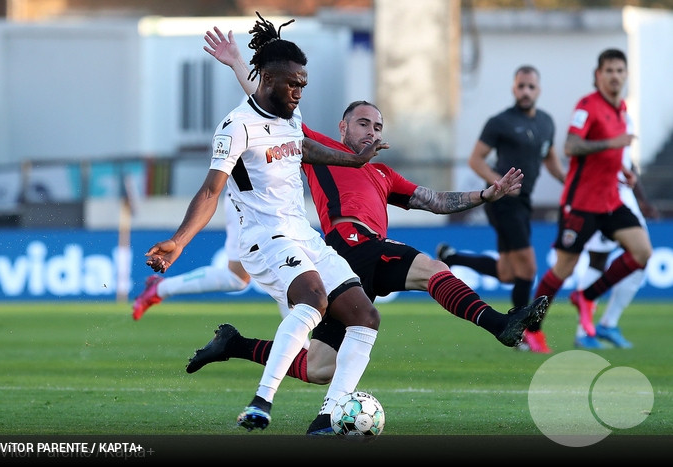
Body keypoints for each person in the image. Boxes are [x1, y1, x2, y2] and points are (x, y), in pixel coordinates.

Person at [183, 26, 549, 420]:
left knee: (321, 367)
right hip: (349, 244)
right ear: (343, 128)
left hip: (354, 265)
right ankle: (500, 323)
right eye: (362, 123)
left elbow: (434, 200)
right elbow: (266, 100)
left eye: (377, 127)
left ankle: (235, 345)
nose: (370, 131)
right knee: (433, 269)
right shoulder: (318, 145)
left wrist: (485, 195)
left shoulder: (384, 174)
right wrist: (239, 61)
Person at [144, 12, 389, 434]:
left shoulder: (287, 115)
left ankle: (328, 416)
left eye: (303, 84)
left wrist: (353, 159)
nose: (298, 91)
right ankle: (261, 402)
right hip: (263, 240)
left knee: (365, 316)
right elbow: (209, 191)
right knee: (312, 299)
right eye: (292, 83)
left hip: (302, 235)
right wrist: (179, 241)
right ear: (269, 79)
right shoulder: (235, 127)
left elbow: (301, 145)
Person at [435, 65, 565, 354]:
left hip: (524, 202)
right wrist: (499, 183)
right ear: (513, 88)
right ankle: (526, 332)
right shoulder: (500, 122)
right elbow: (476, 160)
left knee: (509, 273)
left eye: (531, 86)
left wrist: (570, 183)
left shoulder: (546, 122)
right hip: (504, 202)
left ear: (538, 90)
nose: (526, 91)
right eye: (521, 86)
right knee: (529, 267)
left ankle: (452, 257)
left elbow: (551, 160)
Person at [528, 48, 652, 350]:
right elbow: (571, 147)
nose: (615, 76)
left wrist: (625, 171)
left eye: (620, 71)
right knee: (564, 268)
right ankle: (531, 327)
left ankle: (586, 296)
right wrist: (611, 142)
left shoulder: (621, 109)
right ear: (598, 75)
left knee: (642, 252)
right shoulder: (587, 106)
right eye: (608, 70)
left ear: (625, 75)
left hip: (611, 200)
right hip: (581, 202)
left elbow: (608, 156)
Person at [132, 188, 294, 324]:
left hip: (281, 200)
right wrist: (178, 241)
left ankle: (160, 288)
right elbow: (211, 188)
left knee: (238, 278)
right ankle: (301, 351)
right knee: (283, 272)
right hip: (249, 202)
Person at [573, 120, 659, 349]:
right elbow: (575, 149)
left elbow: (627, 160)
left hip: (625, 197)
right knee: (597, 260)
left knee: (642, 257)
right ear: (598, 80)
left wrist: (642, 200)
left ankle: (609, 323)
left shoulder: (624, 114)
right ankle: (584, 332)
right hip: (601, 194)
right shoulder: (592, 111)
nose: (616, 81)